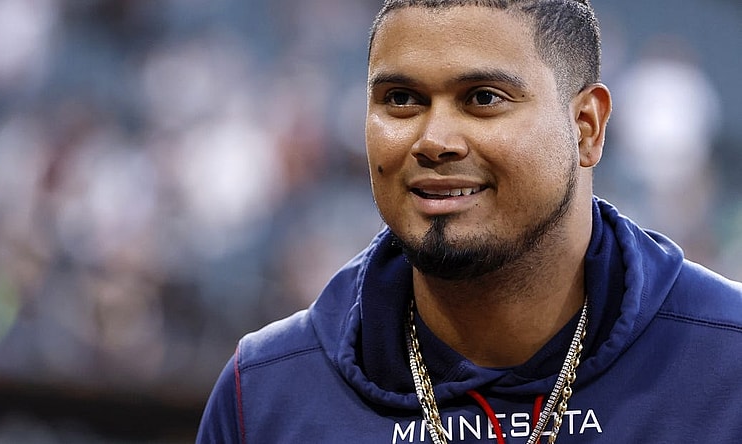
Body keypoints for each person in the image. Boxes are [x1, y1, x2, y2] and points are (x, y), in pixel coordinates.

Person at [196, 0, 742, 442]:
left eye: (483, 98)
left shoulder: (728, 360)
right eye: (401, 99)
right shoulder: (265, 393)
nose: (433, 141)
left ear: (586, 127)